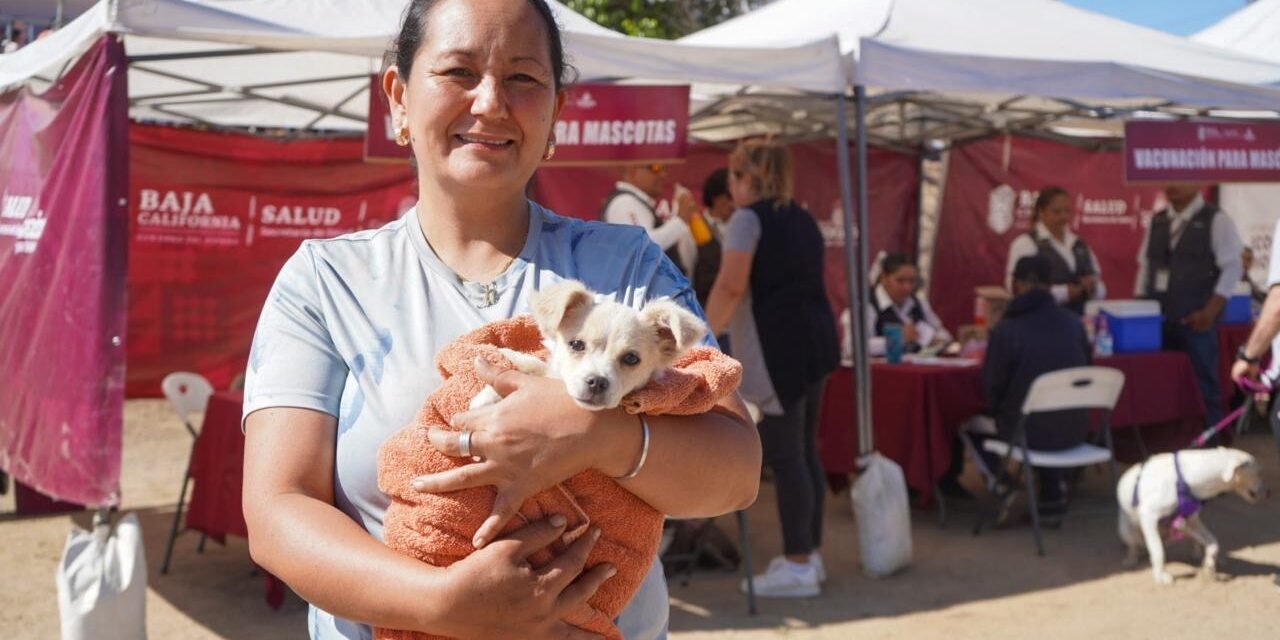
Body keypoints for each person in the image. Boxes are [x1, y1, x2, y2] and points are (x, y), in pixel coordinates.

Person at [240, 2, 761, 639]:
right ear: (399, 98)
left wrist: (598, 436)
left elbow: (737, 472)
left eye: (522, 78)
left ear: (556, 114)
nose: (490, 102)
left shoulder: (627, 267)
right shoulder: (325, 282)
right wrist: (443, 604)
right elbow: (277, 512)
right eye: (458, 71)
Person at [704, 140, 839, 598]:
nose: (732, 186)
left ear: (748, 179)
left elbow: (730, 285)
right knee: (805, 452)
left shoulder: (747, 219)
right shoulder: (802, 218)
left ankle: (799, 564)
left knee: (786, 457)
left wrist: (699, 338)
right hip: (816, 345)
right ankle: (810, 555)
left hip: (777, 350)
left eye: (734, 177)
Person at [982, 255, 1092, 523]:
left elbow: (990, 390)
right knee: (1041, 411)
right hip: (1075, 430)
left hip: (1027, 434)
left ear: (1015, 285)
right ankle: (1050, 491)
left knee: (968, 419)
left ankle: (1003, 481)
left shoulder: (1006, 329)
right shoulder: (1074, 324)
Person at [1135, 184, 1243, 427]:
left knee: (1205, 387)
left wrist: (1210, 311)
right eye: (1167, 179)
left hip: (1197, 322)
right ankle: (1169, 445)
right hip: (1159, 322)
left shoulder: (1216, 220)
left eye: (1180, 178)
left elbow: (1232, 268)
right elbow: (1144, 267)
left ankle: (1211, 445)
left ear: (1197, 182)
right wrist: (1140, 310)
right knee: (1162, 386)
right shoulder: (1158, 220)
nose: (1172, 185)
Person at [1004, 186, 1106, 314]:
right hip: (1043, 323)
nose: (1064, 216)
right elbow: (1015, 288)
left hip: (1080, 323)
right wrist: (1063, 293)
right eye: (1057, 212)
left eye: (1067, 211)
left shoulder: (1079, 244)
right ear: (1041, 212)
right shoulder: (1026, 243)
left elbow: (1100, 285)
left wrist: (1094, 288)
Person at [601, 163, 697, 277]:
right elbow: (640, 247)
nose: (663, 174)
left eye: (664, 168)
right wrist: (680, 221)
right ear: (633, 171)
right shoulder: (623, 202)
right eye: (656, 168)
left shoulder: (634, 202)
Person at [861, 251, 952, 357]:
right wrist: (897, 339)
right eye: (900, 281)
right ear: (884, 278)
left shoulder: (919, 303)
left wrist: (935, 339)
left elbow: (944, 334)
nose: (907, 287)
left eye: (912, 281)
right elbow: (853, 347)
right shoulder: (867, 306)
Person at [689, 168, 734, 310]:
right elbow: (685, 273)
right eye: (729, 197)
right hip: (704, 312)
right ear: (715, 197)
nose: (733, 204)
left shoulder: (742, 228)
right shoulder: (692, 228)